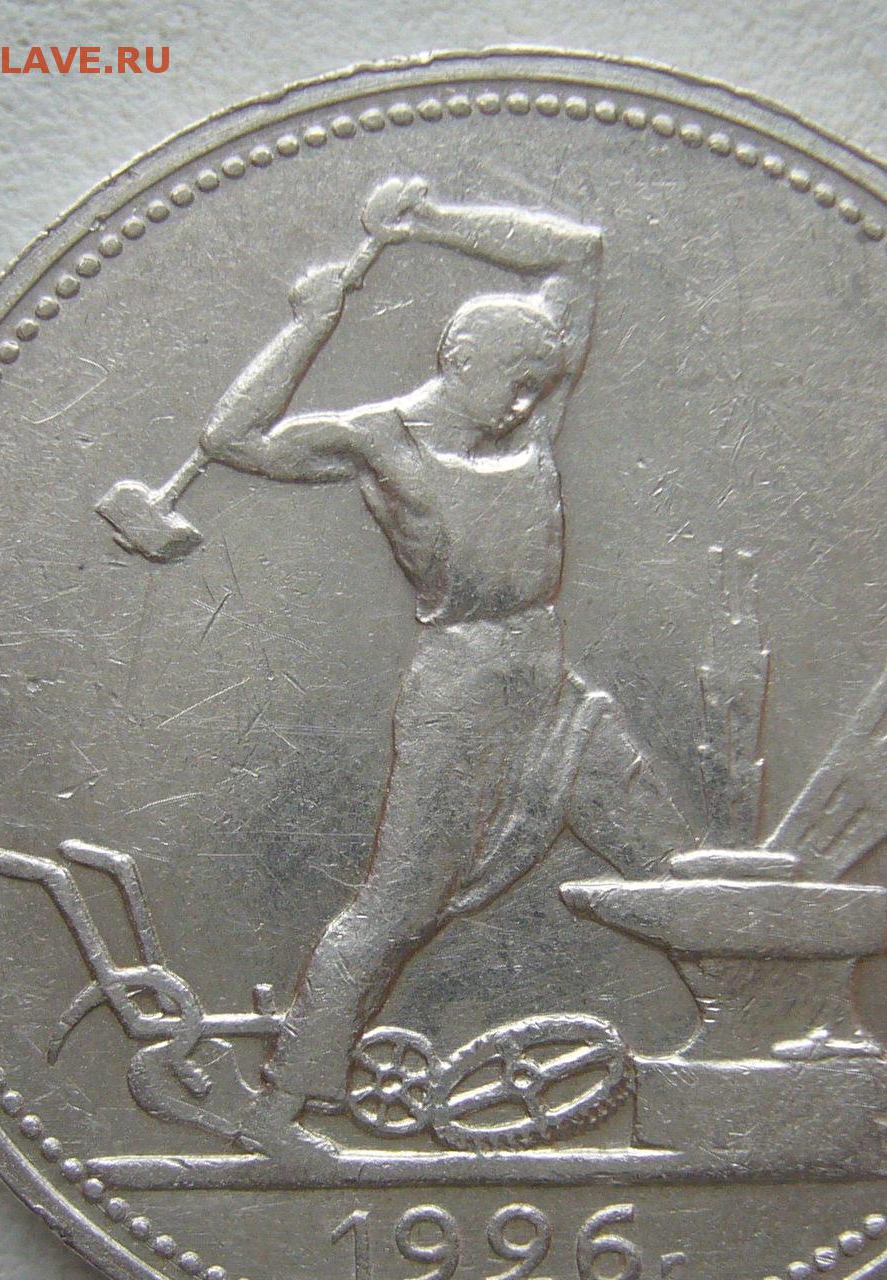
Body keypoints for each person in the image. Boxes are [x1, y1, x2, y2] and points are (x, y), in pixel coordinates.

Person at [198, 177, 693, 1154]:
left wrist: (429, 222)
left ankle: (751, 1053)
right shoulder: (377, 441)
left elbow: (579, 251)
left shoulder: (531, 420)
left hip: (551, 691)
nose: (531, 397)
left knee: (673, 867)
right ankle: (277, 1111)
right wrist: (307, 325)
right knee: (396, 908)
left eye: (542, 380)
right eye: (515, 378)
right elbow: (229, 440)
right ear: (460, 359)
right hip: (460, 699)